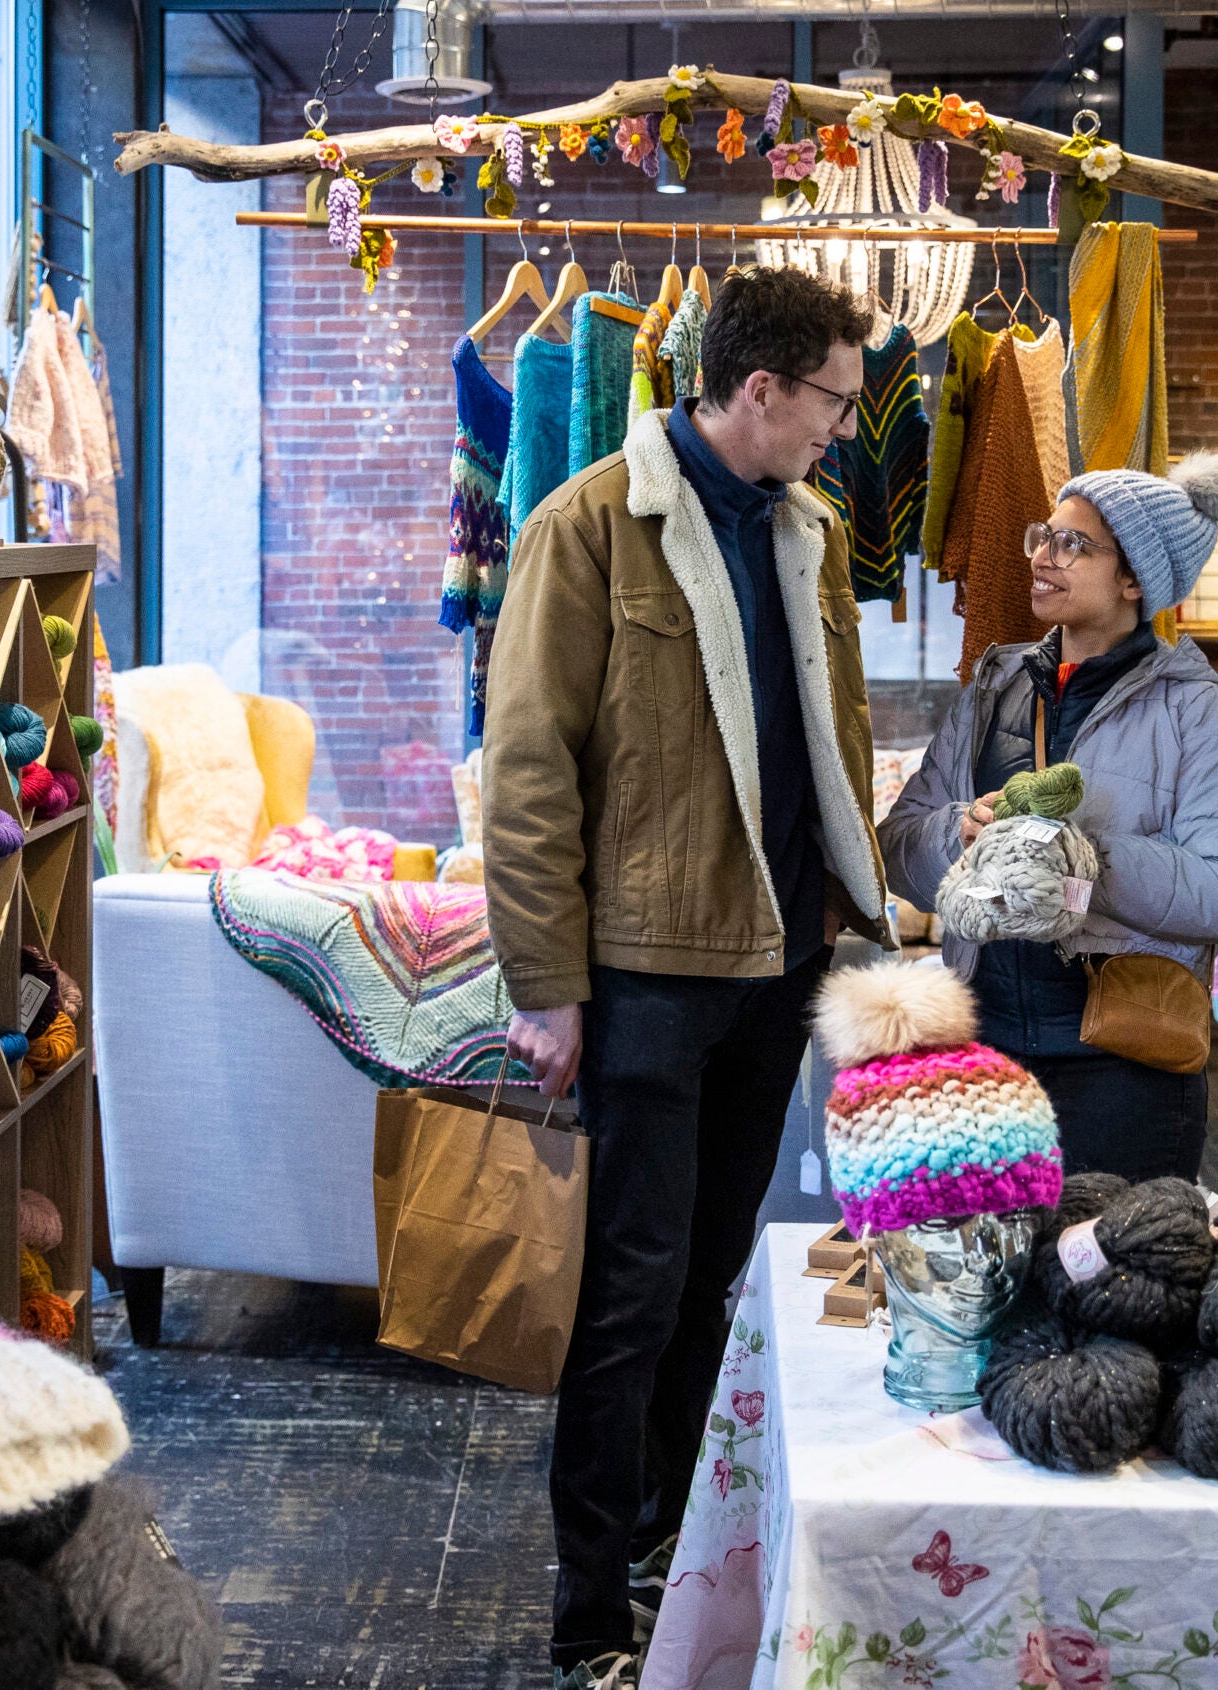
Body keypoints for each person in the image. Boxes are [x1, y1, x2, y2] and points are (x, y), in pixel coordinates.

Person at [482, 265, 895, 1690]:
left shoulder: (811, 535)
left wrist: (866, 909)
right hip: (647, 969)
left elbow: (829, 736)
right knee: (628, 1295)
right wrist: (547, 982)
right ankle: (590, 1611)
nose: (846, 426)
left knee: (715, 1279)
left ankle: (673, 1556)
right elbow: (528, 773)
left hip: (779, 964)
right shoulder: (590, 525)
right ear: (760, 390)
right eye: (834, 400)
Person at [878, 454, 1218, 1181]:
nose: (1043, 557)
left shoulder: (1197, 712)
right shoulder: (994, 690)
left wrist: (1082, 861)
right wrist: (962, 832)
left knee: (1111, 1282)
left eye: (1074, 544)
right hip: (984, 1055)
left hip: (1125, 1066)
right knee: (987, 1281)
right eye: (1044, 536)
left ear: (1134, 581)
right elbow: (898, 845)